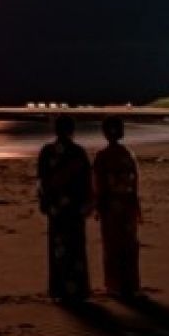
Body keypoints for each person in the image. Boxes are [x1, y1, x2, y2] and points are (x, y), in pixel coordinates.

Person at [36, 113, 93, 303]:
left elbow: (41, 181)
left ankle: (59, 288)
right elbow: (87, 182)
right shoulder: (78, 152)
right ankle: (77, 289)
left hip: (56, 209)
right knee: (76, 247)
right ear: (72, 130)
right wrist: (88, 204)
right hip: (74, 208)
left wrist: (44, 203)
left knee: (58, 247)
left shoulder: (47, 151)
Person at [92, 114, 142, 299]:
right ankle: (130, 284)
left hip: (111, 205)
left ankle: (115, 285)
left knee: (112, 245)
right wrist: (136, 203)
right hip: (127, 203)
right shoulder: (128, 154)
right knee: (129, 244)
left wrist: (97, 204)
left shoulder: (102, 156)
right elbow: (134, 182)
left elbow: (98, 184)